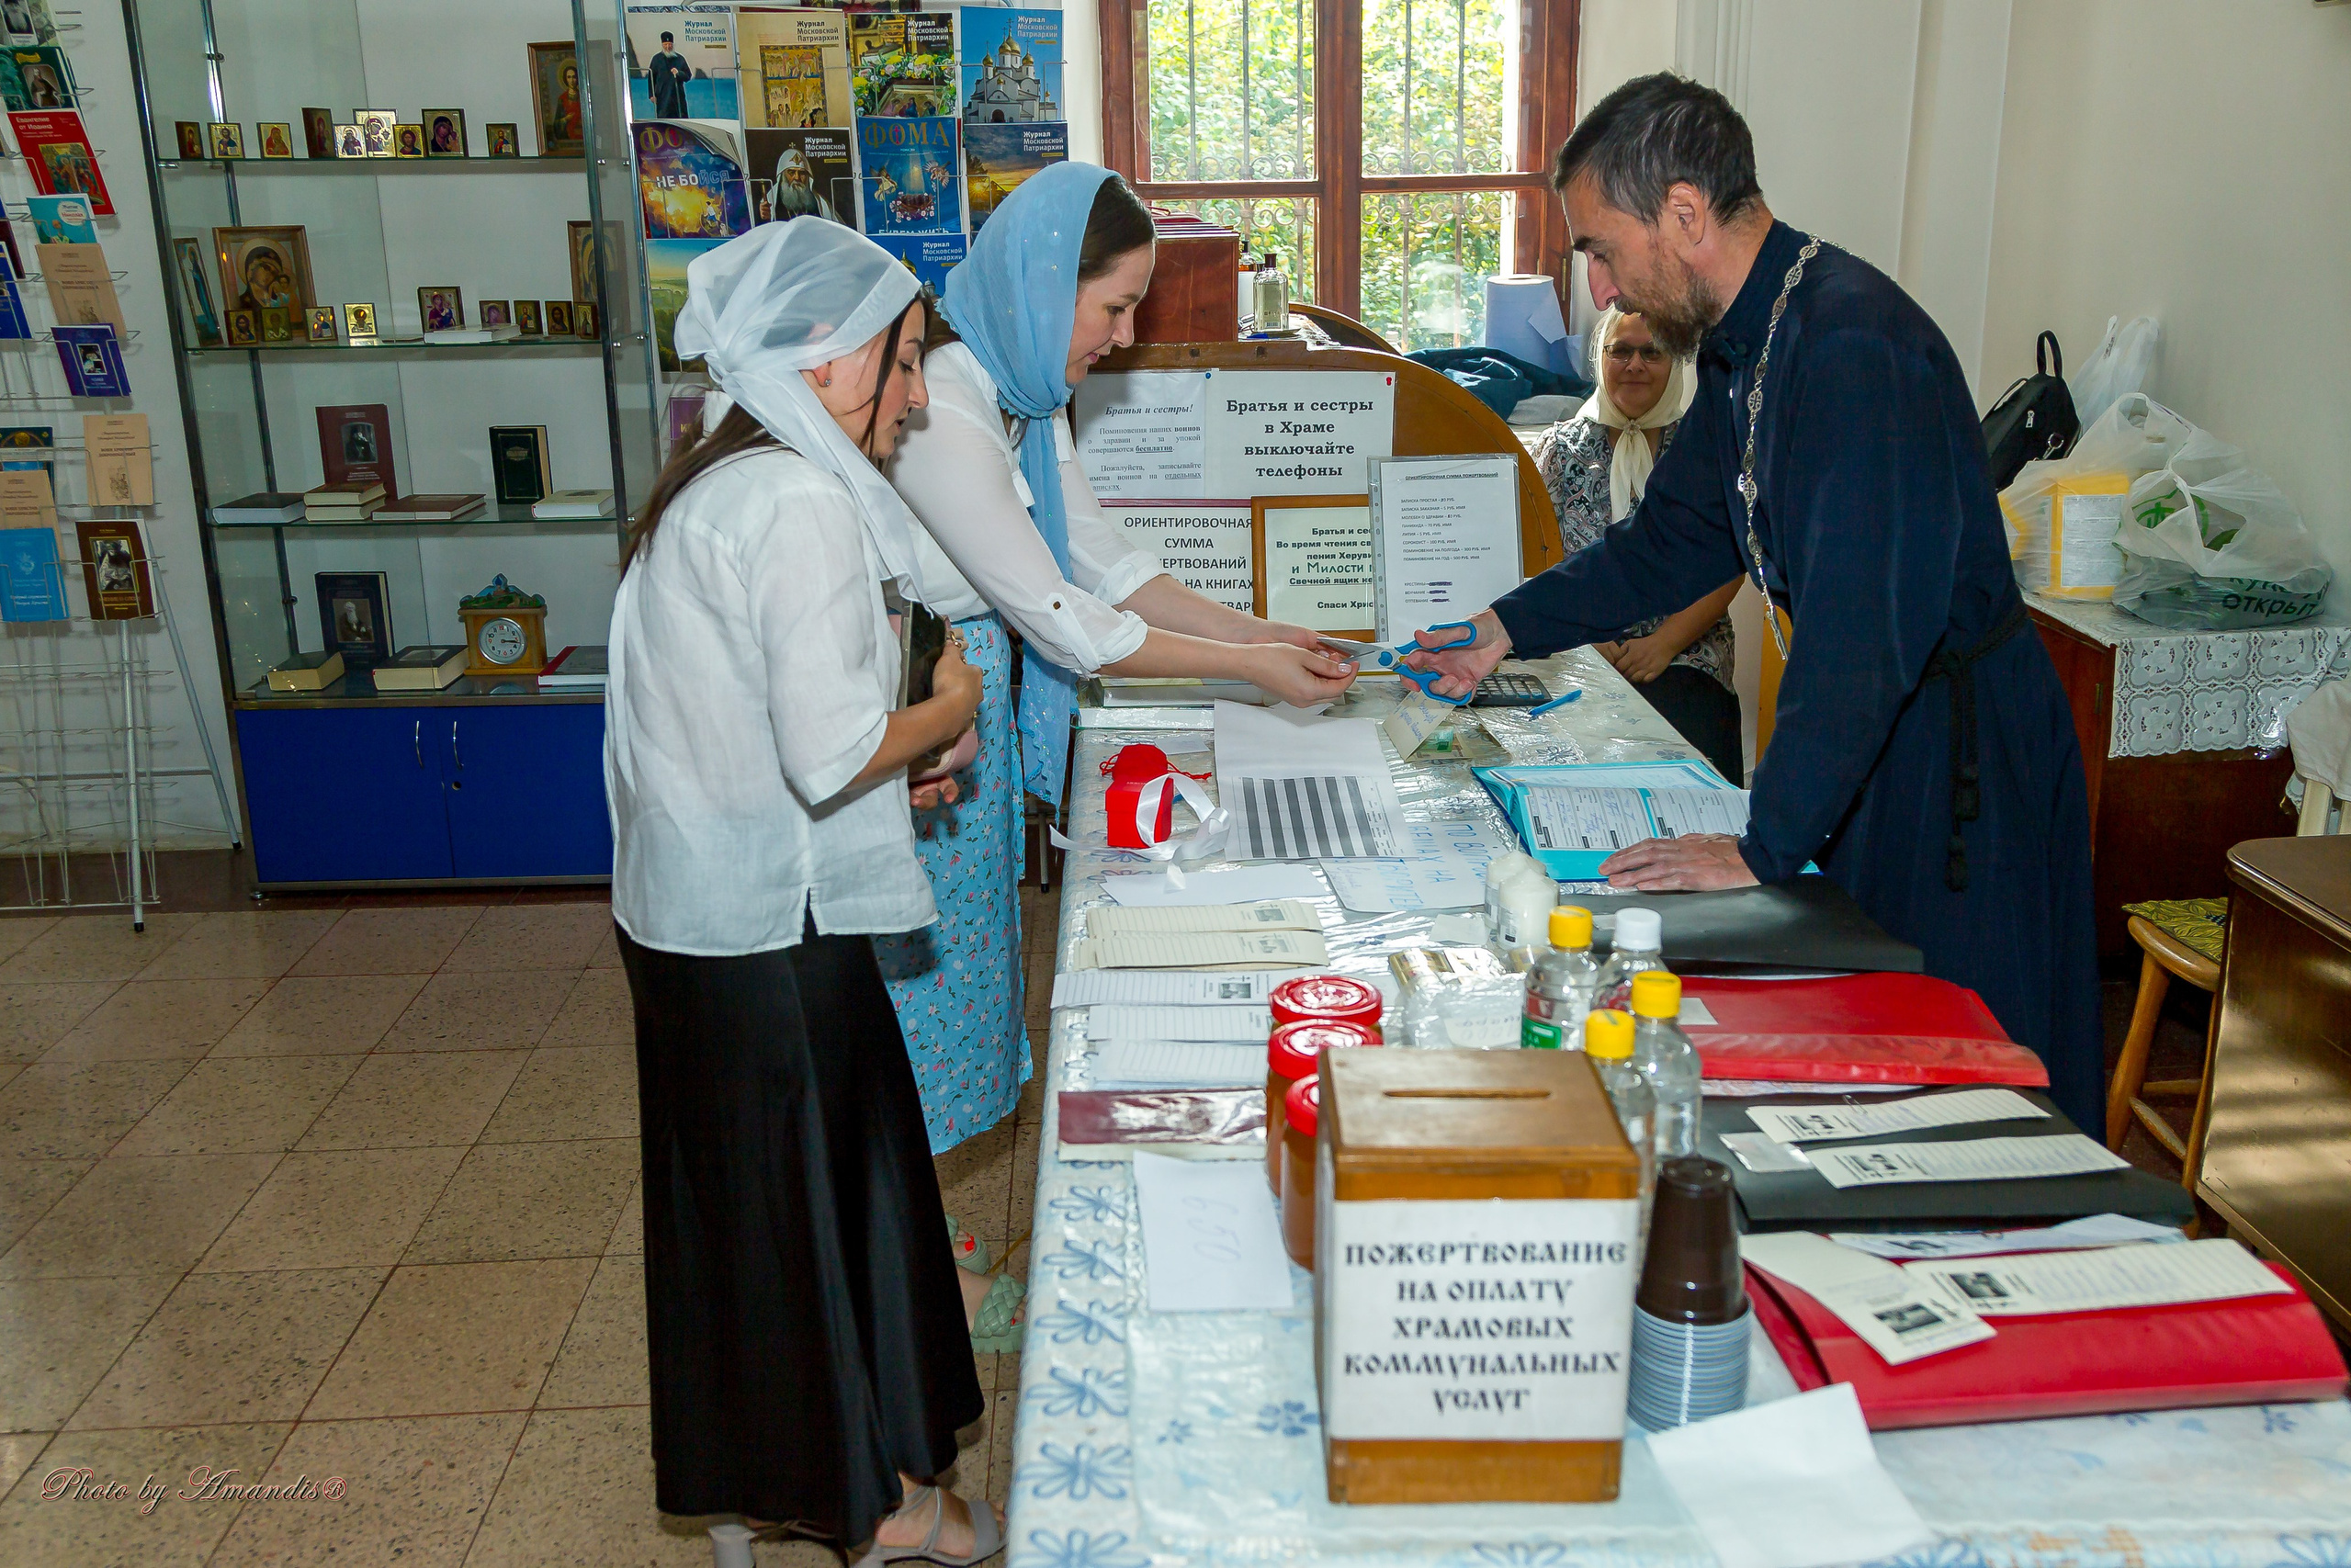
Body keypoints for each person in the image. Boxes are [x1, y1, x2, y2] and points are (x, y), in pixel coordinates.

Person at [1406, 73, 2100, 1129]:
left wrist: (1762, 845)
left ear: (1683, 213)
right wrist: (1502, 627)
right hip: (1886, 741)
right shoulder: (1749, 341)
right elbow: (1671, 541)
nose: (1598, 290)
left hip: (1958, 767)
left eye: (1599, 247)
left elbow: (1861, 639)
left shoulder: (1851, 347)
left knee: (1967, 1080)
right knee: (1864, 1049)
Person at [605, 218, 1001, 1562]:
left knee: (760, 1219)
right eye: (902, 368)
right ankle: (873, 1506)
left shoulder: (718, 481)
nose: (914, 399)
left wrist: (903, 777)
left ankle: (774, 1483)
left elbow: (747, 732)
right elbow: (831, 744)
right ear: (830, 361)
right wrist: (950, 703)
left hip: (704, 910)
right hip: (765, 934)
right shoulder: (799, 499)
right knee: (816, 1214)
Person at [882, 163, 1355, 1159]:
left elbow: (1102, 558)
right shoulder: (946, 409)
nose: (1125, 336)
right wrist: (1250, 670)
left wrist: (1259, 632)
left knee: (972, 967)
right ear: (1048, 287)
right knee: (920, 988)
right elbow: (1062, 618)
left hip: (974, 703)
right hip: (916, 714)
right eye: (1115, 306)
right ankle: (909, 1247)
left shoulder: (1025, 390)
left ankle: (924, 1247)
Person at [1536, 306, 1745, 784]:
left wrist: (1663, 644)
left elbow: (1732, 558)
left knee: (1691, 788)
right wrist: (1583, 635)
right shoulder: (1558, 449)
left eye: (1651, 353)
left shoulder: (1705, 448)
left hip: (1687, 654)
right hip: (1580, 648)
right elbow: (1535, 550)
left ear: (1675, 364)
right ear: (1601, 359)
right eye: (1621, 351)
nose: (1634, 365)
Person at [648, 29, 693, 118]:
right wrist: (651, 95)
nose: (668, 47)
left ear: (673, 45)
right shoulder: (656, 59)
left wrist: (679, 73)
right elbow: (651, 78)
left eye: (670, 44)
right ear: (662, 45)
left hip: (677, 96)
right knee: (663, 120)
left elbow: (688, 76)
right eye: (665, 45)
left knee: (680, 119)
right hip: (662, 96)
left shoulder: (680, 59)